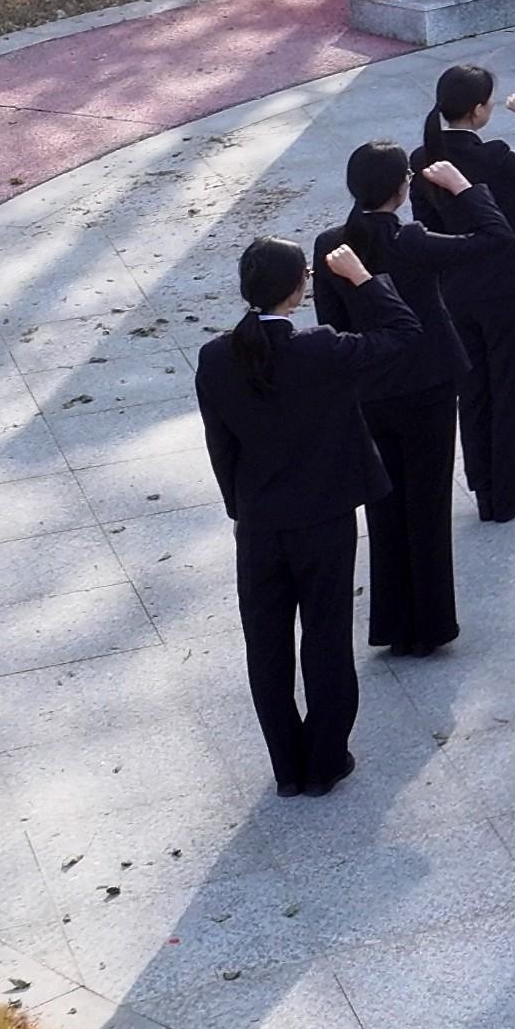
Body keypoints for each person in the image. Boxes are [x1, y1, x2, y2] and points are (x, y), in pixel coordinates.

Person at [192, 237, 437, 796]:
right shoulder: (320, 348)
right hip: (323, 519)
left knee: (266, 646)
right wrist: (363, 280)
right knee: (326, 637)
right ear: (297, 288)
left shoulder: (216, 357)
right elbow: (405, 333)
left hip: (259, 523)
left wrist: (240, 508)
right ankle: (325, 760)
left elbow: (220, 445)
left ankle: (287, 767)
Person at [315, 142, 504, 656]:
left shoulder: (332, 245)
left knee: (385, 509)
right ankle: (431, 624)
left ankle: (393, 624)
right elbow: (495, 237)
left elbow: (331, 323)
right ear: (401, 187)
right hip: (427, 383)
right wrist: (464, 189)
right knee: (428, 504)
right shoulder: (412, 240)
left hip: (370, 387)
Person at [410, 65, 515, 522]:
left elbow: (426, 225)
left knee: (474, 391)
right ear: (477, 110)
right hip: (508, 287)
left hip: (455, 288)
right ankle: (508, 493)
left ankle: (484, 487)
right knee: (511, 390)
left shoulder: (422, 158)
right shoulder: (496, 157)